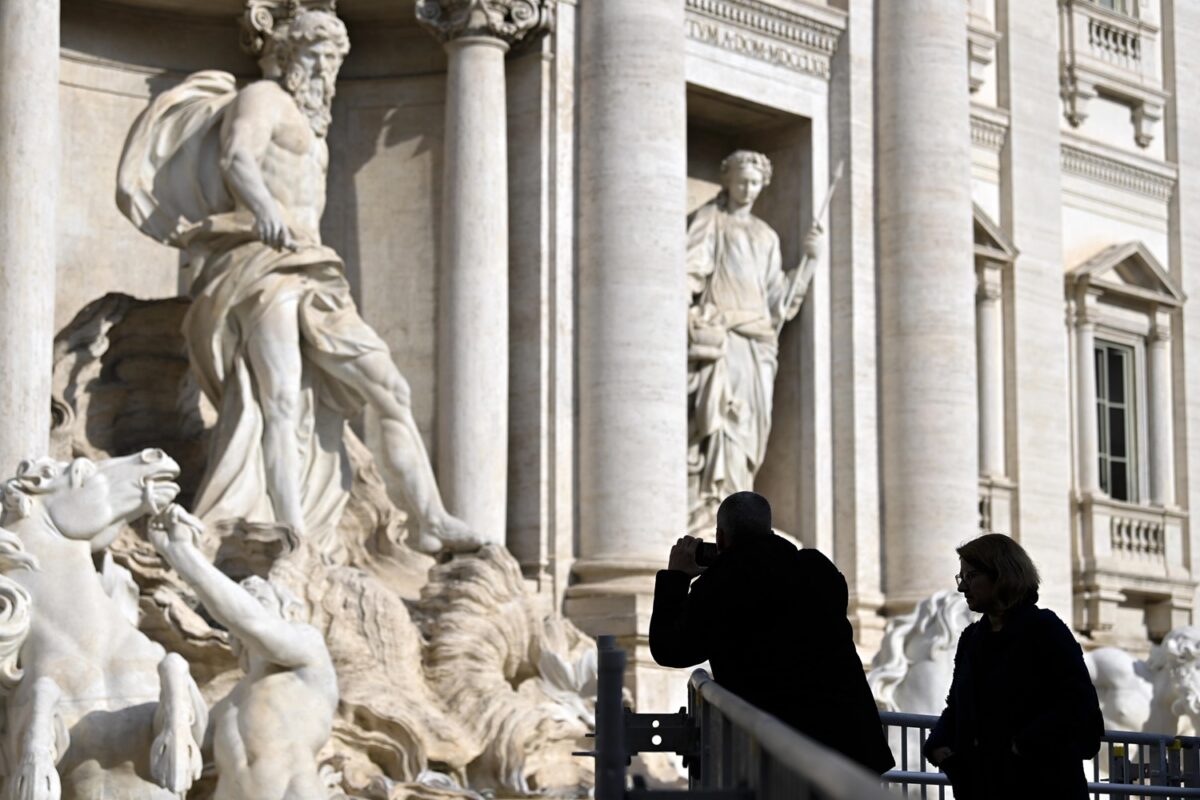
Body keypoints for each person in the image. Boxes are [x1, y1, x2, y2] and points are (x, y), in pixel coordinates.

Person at [117, 8, 477, 555]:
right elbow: (237, 154)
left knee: (390, 387)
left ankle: (428, 517)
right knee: (279, 398)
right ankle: (292, 529)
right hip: (261, 263)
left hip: (313, 268)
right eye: (316, 56)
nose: (326, 70)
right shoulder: (263, 98)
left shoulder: (314, 122)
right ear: (285, 56)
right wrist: (262, 206)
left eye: (334, 60)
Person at [649, 491, 894, 774]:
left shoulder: (721, 585)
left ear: (720, 537)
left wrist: (677, 578)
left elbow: (670, 649)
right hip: (852, 746)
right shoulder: (817, 569)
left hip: (783, 758)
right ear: (769, 529)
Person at [149, 503, 338, 800]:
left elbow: (252, 623)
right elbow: (170, 747)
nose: (245, 600)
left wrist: (181, 553)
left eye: (258, 596)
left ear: (286, 611)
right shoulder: (226, 707)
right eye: (242, 595)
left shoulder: (309, 658)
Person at [686, 151, 821, 533]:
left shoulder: (766, 235)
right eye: (741, 181)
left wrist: (809, 262)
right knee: (720, 422)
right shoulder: (710, 221)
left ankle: (738, 498)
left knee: (749, 430)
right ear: (727, 180)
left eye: (755, 183)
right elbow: (690, 270)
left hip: (758, 340)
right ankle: (711, 503)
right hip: (724, 333)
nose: (747, 189)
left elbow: (778, 298)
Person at [924, 534, 1103, 799]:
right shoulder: (971, 639)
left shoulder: (1045, 630)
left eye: (971, 576)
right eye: (961, 578)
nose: (962, 588)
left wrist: (1021, 747)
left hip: (1043, 788)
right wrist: (938, 745)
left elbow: (1077, 708)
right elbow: (957, 705)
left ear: (1001, 575)